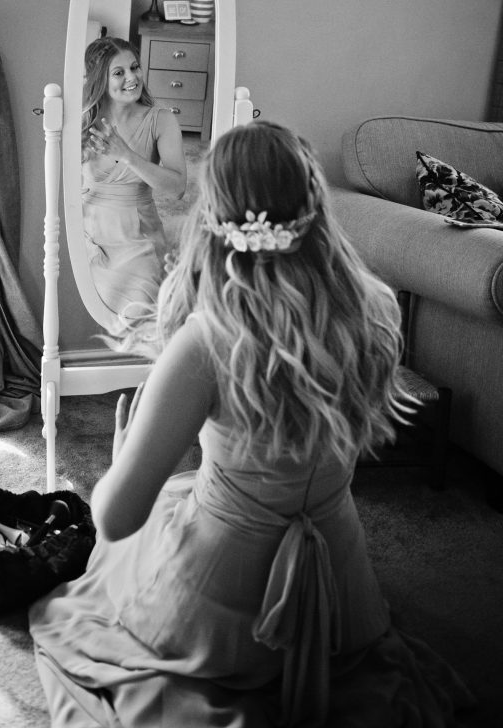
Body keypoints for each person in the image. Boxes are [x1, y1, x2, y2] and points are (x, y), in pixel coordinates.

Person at [30, 121, 474, 727]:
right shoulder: (371, 314)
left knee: (115, 567)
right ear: (315, 212)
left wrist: (123, 454)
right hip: (346, 600)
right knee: (186, 496)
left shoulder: (205, 343)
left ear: (214, 220)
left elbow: (113, 518)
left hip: (221, 611)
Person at [80, 36, 186, 334]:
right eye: (119, 72)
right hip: (89, 232)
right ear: (100, 79)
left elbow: (177, 189)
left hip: (137, 233)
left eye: (135, 67)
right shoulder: (82, 121)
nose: (132, 78)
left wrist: (127, 156)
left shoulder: (161, 121)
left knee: (141, 315)